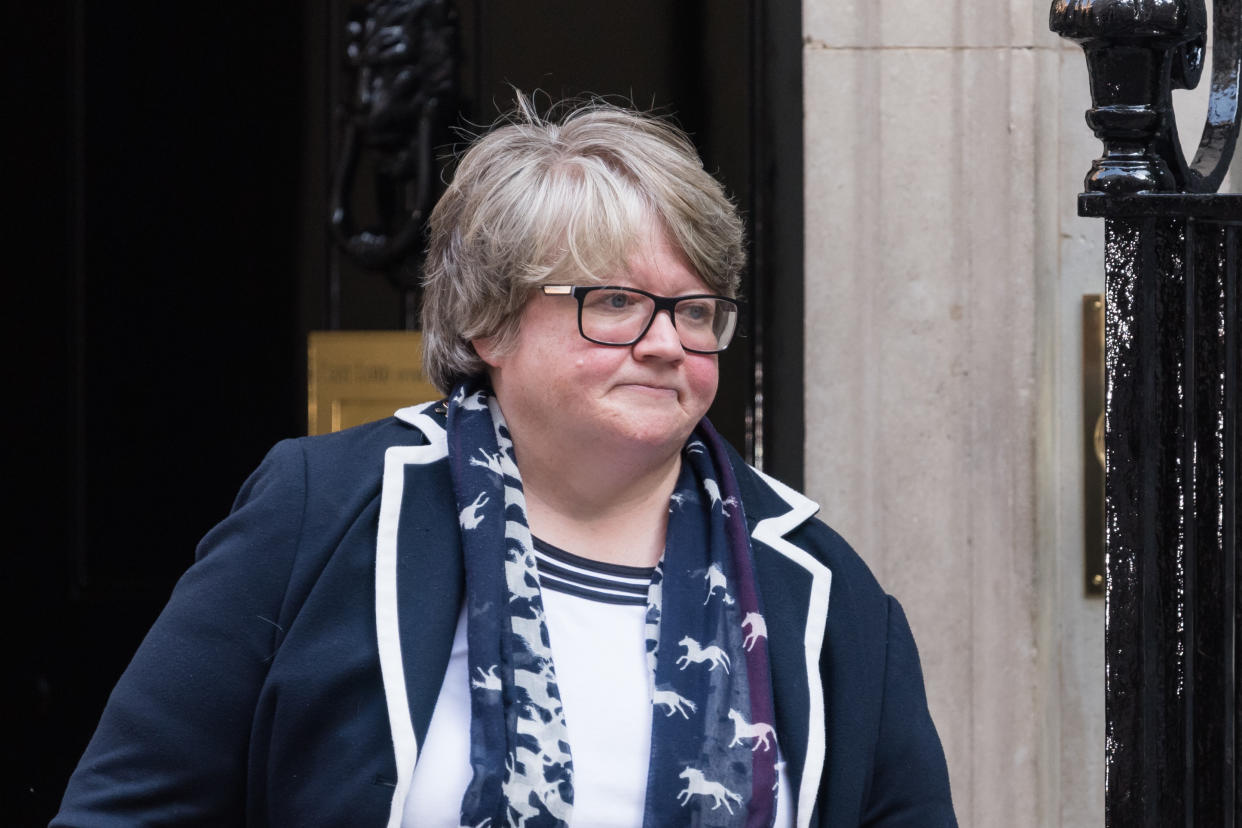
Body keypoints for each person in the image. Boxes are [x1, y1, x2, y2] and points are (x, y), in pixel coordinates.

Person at [54, 98, 956, 827]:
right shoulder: (322, 512)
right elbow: (126, 810)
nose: (665, 343)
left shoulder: (822, 588)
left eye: (693, 310)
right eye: (613, 302)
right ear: (488, 321)